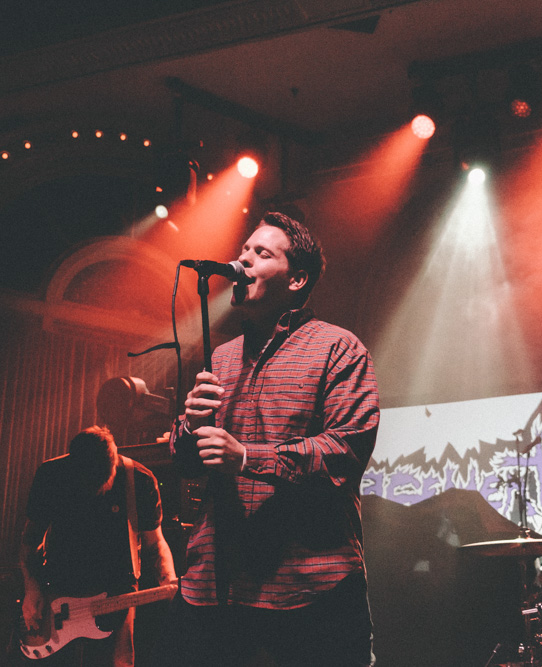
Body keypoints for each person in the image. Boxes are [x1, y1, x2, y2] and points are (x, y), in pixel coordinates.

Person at [161, 212, 381, 666]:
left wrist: (246, 457)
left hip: (309, 587)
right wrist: (190, 427)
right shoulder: (221, 357)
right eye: (244, 250)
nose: (243, 259)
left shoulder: (338, 347)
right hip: (216, 586)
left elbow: (345, 451)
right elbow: (186, 462)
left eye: (261, 253)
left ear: (296, 279)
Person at [20, 426, 176, 666]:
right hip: (60, 585)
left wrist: (168, 579)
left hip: (118, 591)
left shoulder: (140, 480)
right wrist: (32, 587)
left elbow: (155, 544)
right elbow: (30, 540)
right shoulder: (51, 474)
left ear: (113, 465)